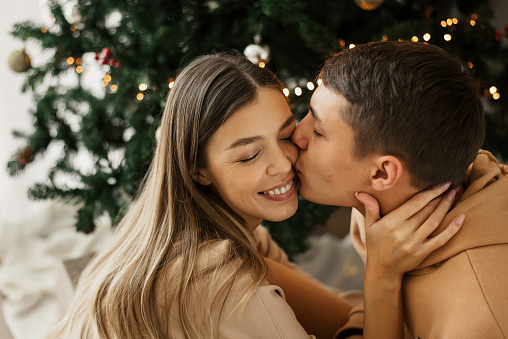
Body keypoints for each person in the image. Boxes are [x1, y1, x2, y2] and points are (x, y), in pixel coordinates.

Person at [47, 52, 460, 339]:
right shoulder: (224, 287)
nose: (282, 163)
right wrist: (383, 274)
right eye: (248, 155)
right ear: (197, 171)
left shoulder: (198, 234)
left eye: (286, 135)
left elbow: (338, 321)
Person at [290, 41, 508, 338]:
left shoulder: (479, 316)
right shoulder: (386, 196)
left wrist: (381, 276)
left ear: (382, 172)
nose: (295, 135)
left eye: (317, 131)